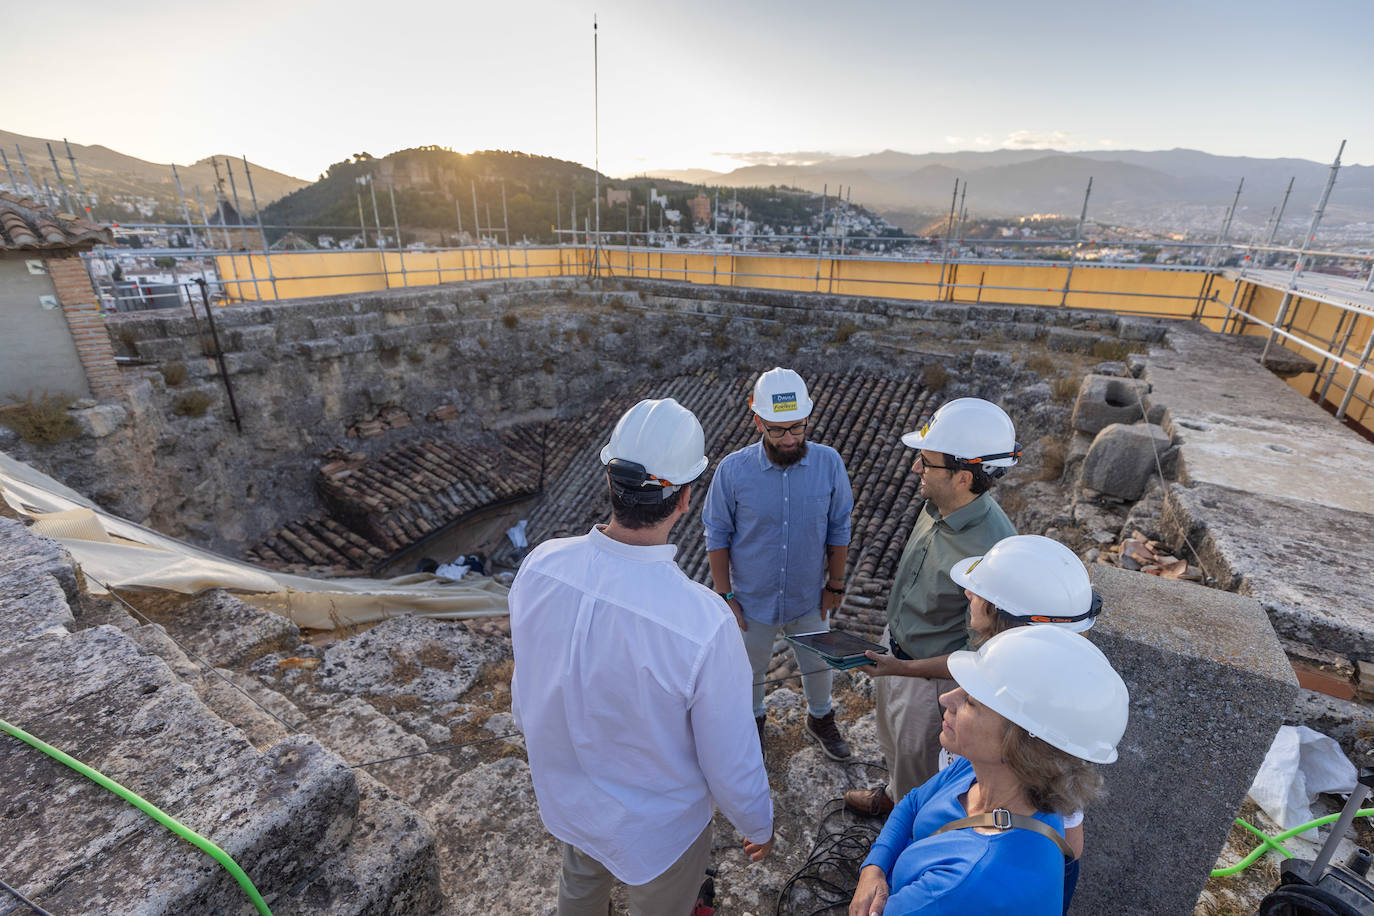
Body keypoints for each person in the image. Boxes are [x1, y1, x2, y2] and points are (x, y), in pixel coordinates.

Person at [509, 397, 774, 916]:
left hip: (569, 800)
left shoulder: (541, 566)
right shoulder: (703, 623)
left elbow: (527, 692)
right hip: (659, 832)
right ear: (684, 500)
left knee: (579, 885)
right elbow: (730, 758)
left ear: (609, 482)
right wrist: (756, 823)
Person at [848, 626, 1129, 916]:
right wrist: (874, 867)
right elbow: (913, 801)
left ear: (1018, 745)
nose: (947, 699)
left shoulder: (968, 880)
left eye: (971, 700)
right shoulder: (984, 772)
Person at [845, 398, 1020, 817]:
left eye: (926, 462)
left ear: (962, 477)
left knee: (920, 763)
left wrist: (902, 669)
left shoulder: (990, 555)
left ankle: (906, 830)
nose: (914, 469)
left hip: (930, 682)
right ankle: (892, 793)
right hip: (899, 654)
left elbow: (979, 657)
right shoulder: (938, 505)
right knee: (892, 744)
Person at [946, 533, 1105, 910]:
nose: (970, 595)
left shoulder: (1040, 698)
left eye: (980, 591)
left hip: (991, 856)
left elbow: (1071, 837)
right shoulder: (1056, 676)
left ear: (1003, 613)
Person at [703, 367, 855, 761]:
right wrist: (726, 595)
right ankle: (753, 722)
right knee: (749, 670)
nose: (789, 439)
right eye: (778, 430)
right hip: (751, 599)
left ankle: (820, 718)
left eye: (797, 428)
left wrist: (835, 585)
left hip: (807, 596)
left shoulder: (829, 464)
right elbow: (717, 535)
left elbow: (839, 527)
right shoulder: (733, 472)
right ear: (758, 421)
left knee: (819, 663)